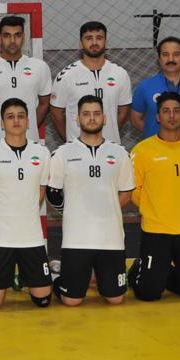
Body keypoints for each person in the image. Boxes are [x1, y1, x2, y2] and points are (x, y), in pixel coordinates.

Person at [47, 95, 134, 306]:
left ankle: (103, 277)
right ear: (77, 119)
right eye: (86, 114)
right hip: (76, 238)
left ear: (105, 118)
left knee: (115, 299)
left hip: (111, 238)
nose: (92, 118)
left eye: (96, 114)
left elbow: (126, 193)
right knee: (72, 301)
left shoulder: (120, 154)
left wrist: (104, 209)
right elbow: (52, 193)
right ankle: (55, 276)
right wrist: (72, 211)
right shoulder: (63, 154)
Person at [129, 92, 180, 301]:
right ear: (158, 117)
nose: (172, 115)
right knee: (148, 294)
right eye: (166, 111)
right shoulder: (142, 150)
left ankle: (161, 272)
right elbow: (134, 190)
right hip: (156, 229)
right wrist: (154, 208)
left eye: (176, 111)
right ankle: (140, 269)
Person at [0, 98, 52, 309]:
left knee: (43, 300)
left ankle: (34, 276)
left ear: (28, 121)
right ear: (2, 123)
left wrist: (25, 211)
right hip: (0, 238)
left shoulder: (42, 153)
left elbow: (41, 189)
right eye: (10, 117)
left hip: (31, 237)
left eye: (21, 116)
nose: (16, 121)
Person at [0, 15, 51, 148]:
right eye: (7, 35)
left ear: (23, 37)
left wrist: (29, 125)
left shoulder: (40, 67)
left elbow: (45, 104)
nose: (12, 40)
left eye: (17, 35)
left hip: (29, 144)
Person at [50, 21, 132, 144]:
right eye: (89, 38)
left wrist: (109, 134)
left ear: (106, 42)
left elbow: (124, 112)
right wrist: (71, 141)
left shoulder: (120, 74)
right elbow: (56, 114)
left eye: (99, 38)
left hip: (111, 149)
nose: (94, 43)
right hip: (77, 150)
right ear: (81, 43)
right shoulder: (66, 76)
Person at [131, 36, 180, 140]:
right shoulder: (145, 86)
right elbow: (135, 119)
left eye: (176, 54)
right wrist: (153, 133)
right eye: (165, 54)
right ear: (159, 59)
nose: (171, 59)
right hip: (157, 148)